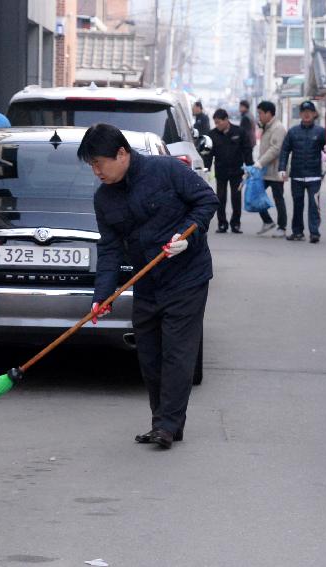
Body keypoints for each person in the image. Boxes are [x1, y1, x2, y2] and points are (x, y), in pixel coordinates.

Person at [78, 124, 218, 450]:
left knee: (177, 355)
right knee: (150, 357)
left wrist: (187, 234)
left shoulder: (166, 170)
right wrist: (102, 297)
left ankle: (167, 426)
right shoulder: (104, 199)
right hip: (147, 282)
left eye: (100, 163)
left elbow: (206, 200)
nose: (96, 171)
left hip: (187, 276)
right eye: (92, 165)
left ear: (122, 154)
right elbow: (110, 249)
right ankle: (164, 422)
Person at [278, 100, 326, 243]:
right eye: (304, 112)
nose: (307, 114)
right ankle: (297, 232)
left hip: (314, 176)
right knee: (297, 205)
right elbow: (284, 151)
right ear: (300, 114)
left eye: (310, 112)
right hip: (297, 176)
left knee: (314, 206)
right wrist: (282, 169)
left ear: (314, 114)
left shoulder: (320, 132)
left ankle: (314, 232)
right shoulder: (293, 132)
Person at [205, 108, 253, 234]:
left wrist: (250, 167)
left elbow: (247, 150)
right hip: (221, 171)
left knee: (236, 197)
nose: (217, 125)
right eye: (215, 123)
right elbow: (208, 155)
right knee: (220, 198)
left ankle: (236, 224)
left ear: (226, 120)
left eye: (218, 122)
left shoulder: (239, 132)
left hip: (237, 171)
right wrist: (206, 169)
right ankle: (222, 224)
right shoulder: (212, 135)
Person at [253, 100, 288, 237]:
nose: (259, 116)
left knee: (278, 198)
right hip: (266, 170)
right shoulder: (267, 126)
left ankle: (282, 227)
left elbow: (275, 149)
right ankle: (267, 221)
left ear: (269, 113)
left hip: (275, 170)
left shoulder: (278, 128)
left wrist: (260, 163)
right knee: (256, 194)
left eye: (261, 113)